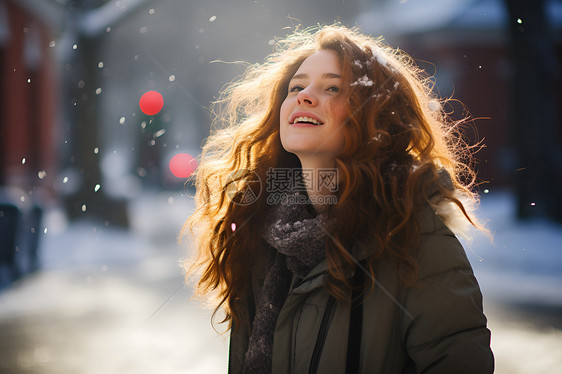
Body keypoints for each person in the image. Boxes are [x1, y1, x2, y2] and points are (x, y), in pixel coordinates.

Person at [183, 24, 494, 374]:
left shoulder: (414, 235)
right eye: (296, 87)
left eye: (332, 88)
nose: (304, 96)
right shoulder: (260, 231)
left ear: (375, 116)